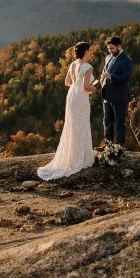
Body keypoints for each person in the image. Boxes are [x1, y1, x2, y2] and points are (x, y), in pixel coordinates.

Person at [37, 41, 96, 180]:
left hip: (72, 95)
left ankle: (72, 156)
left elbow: (67, 82)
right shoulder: (88, 67)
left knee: (72, 125)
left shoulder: (73, 64)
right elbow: (86, 86)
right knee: (81, 124)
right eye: (89, 50)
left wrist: (77, 84)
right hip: (81, 97)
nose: (90, 53)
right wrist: (94, 88)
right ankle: (80, 158)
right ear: (86, 52)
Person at [98, 35, 134, 150]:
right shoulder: (108, 57)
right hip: (107, 96)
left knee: (119, 124)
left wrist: (110, 76)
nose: (110, 51)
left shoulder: (126, 60)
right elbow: (105, 71)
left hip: (119, 97)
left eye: (112, 48)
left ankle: (120, 147)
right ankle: (108, 147)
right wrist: (102, 78)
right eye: (109, 49)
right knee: (107, 123)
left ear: (119, 46)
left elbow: (126, 78)